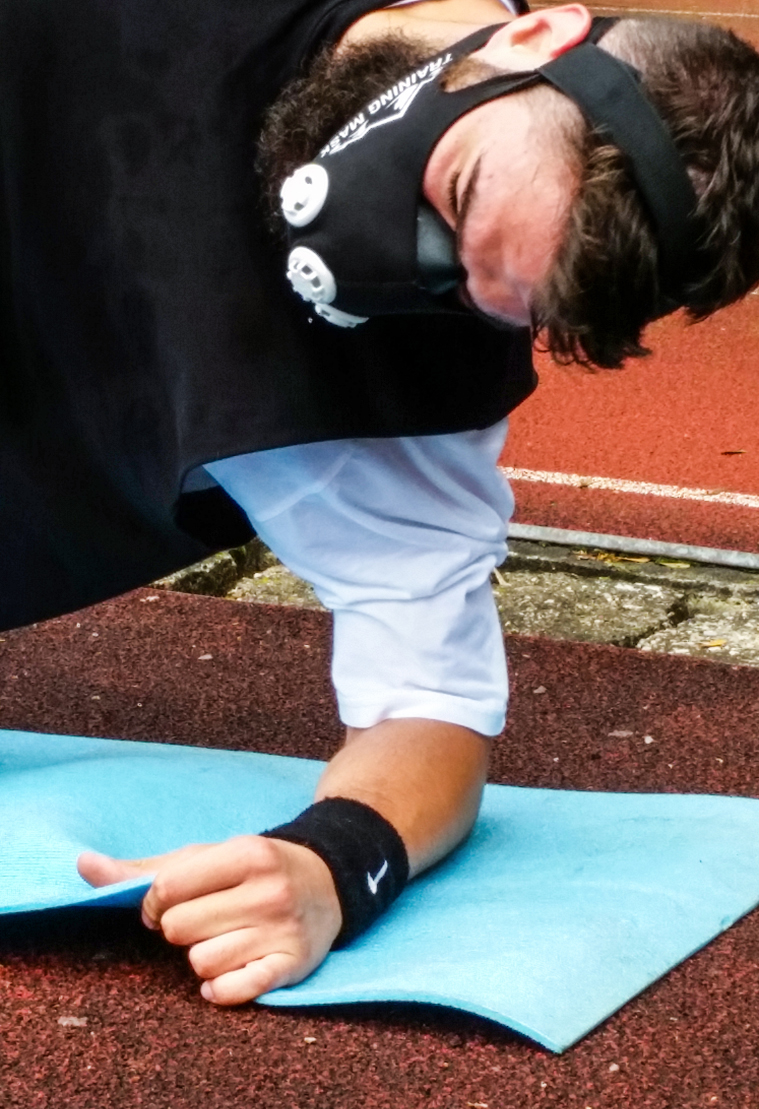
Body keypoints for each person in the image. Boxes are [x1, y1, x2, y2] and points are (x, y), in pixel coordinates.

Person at [5, 0, 754, 1003]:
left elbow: (428, 704)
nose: (394, 257)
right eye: (458, 192)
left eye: (467, 292)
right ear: (532, 38)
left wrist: (331, 861)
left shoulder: (404, 387)